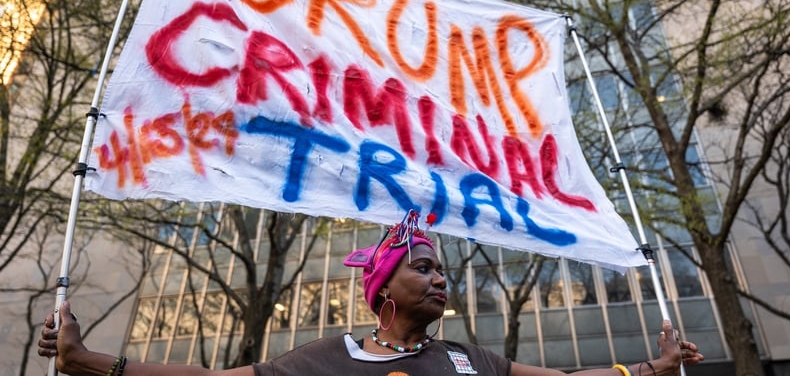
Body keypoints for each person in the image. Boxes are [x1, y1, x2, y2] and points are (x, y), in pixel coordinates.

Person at [39, 211, 703, 375]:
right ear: (381, 288)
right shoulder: (325, 359)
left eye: (442, 270)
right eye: (424, 268)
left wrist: (651, 367)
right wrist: (88, 362)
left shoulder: (471, 362)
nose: (441, 278)